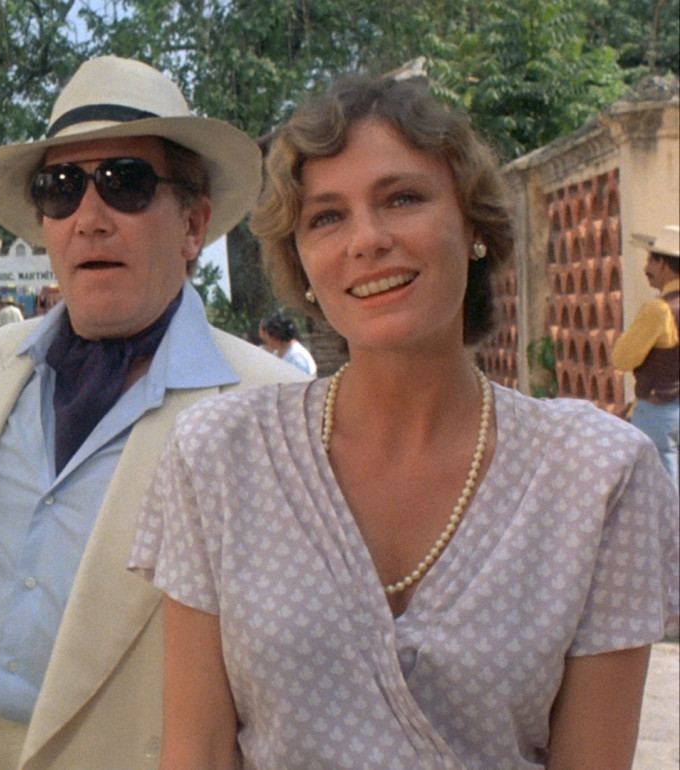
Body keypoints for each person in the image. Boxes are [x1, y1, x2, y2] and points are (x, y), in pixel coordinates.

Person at [130, 75, 679, 768]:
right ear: (299, 261)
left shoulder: (597, 477)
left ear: (474, 224)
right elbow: (198, 751)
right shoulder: (219, 458)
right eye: (327, 217)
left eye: (403, 198)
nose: (368, 239)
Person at [0, 56, 307, 770]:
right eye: (60, 190)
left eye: (125, 184)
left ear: (193, 224)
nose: (89, 219)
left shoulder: (269, 407)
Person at [611, 224, 679, 482]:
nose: (646, 268)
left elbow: (622, 358)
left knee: (664, 492)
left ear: (662, 263)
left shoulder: (658, 310)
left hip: (661, 410)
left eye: (650, 260)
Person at [257, 311, 317, 375]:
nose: (264, 338)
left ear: (274, 336)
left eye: (266, 335)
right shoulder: (278, 353)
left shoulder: (297, 359)